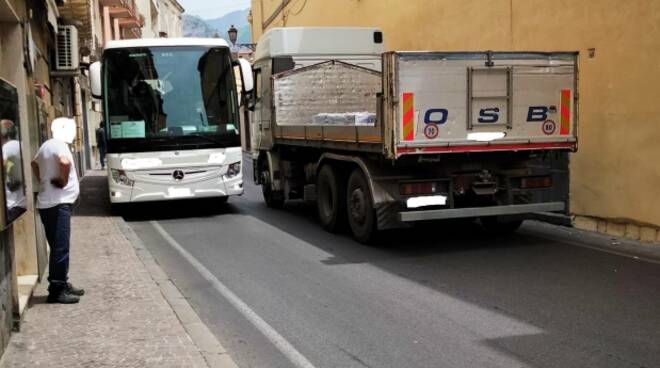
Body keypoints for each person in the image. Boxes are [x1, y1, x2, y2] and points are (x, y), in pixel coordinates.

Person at [31, 117, 84, 304]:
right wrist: (61, 181)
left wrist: (44, 180)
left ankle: (63, 282)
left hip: (48, 203)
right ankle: (57, 289)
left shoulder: (46, 145)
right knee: (61, 247)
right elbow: (64, 162)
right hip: (58, 203)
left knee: (57, 247)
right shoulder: (60, 146)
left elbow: (33, 163)